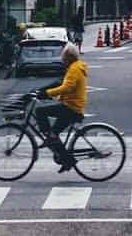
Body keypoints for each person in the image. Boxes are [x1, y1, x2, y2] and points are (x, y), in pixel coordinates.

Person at [35, 43, 87, 172]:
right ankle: (67, 160)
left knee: (39, 111)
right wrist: (50, 94)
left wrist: (47, 93)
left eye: (63, 56)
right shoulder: (75, 67)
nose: (62, 59)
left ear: (69, 57)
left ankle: (49, 138)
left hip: (71, 107)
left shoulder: (74, 69)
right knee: (54, 135)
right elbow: (65, 85)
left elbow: (66, 87)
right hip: (71, 105)